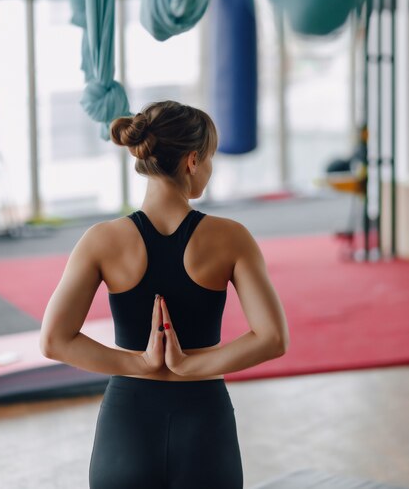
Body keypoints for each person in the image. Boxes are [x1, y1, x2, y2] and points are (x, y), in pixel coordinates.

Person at [39, 99, 290, 489]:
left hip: (127, 426)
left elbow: (54, 340)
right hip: (204, 422)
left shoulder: (101, 240)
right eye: (210, 159)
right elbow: (273, 338)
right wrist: (190, 366)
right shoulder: (230, 237)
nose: (209, 169)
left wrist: (141, 364)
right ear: (192, 160)